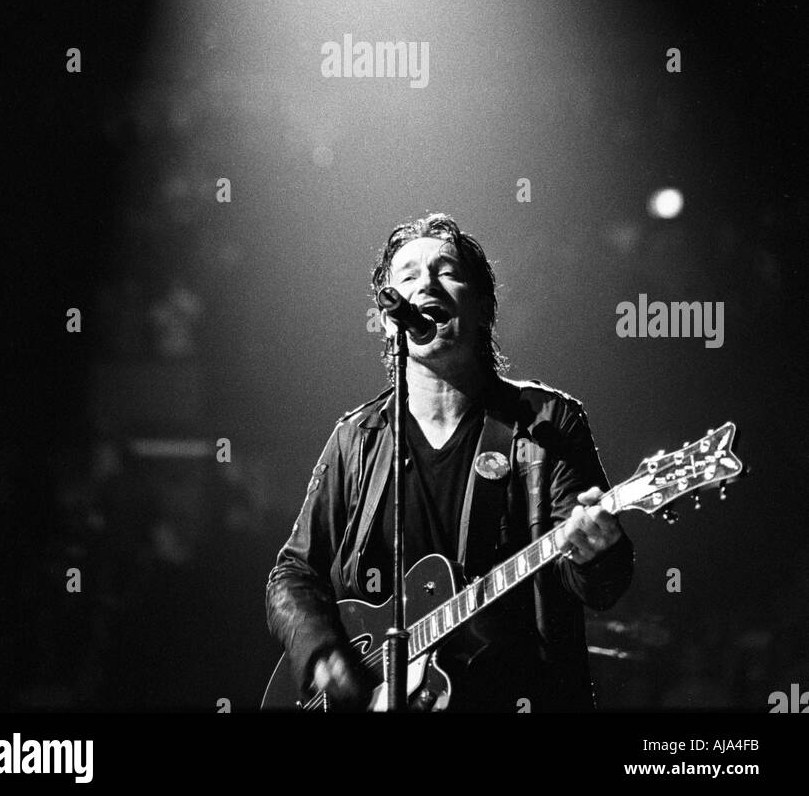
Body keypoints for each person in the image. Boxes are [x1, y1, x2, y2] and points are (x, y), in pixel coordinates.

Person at [265, 212, 634, 711]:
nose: (425, 284)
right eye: (409, 275)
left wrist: (596, 550)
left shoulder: (544, 425)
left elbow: (599, 586)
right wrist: (321, 653)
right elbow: (293, 572)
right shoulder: (358, 438)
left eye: (446, 270)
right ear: (389, 315)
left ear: (482, 308)